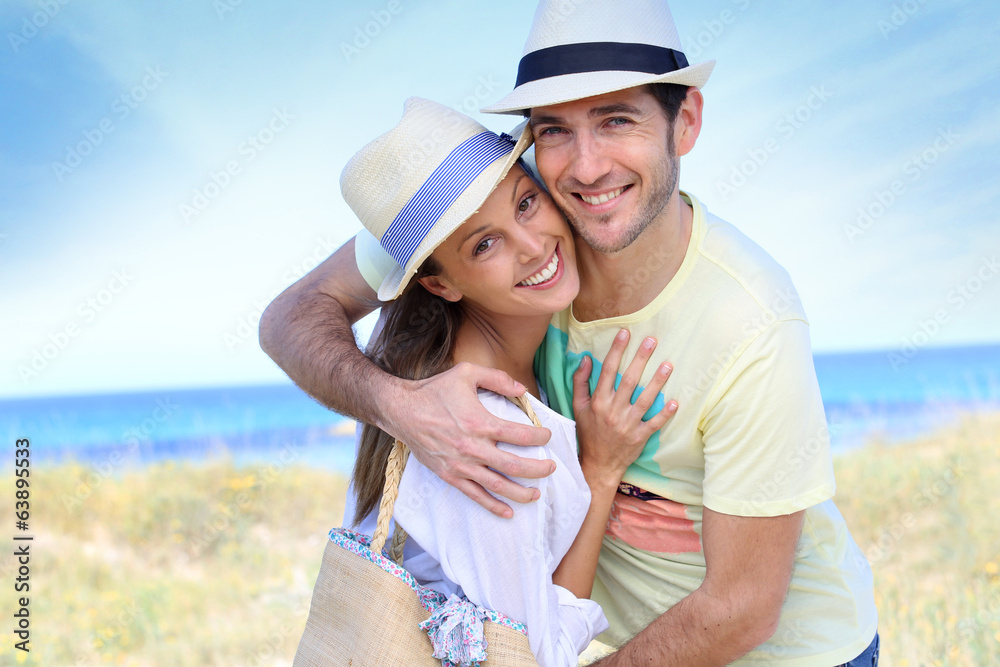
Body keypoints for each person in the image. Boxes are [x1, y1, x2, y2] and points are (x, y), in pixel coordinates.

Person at [261, 1, 879, 665]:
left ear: (686, 121)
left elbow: (742, 608)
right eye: (555, 130)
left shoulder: (749, 319)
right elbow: (291, 315)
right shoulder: (484, 215)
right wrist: (396, 404)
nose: (586, 169)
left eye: (617, 120)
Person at [318, 97, 676, 667]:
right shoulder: (486, 431)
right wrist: (602, 472)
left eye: (527, 204)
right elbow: (536, 656)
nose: (533, 246)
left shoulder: (430, 374)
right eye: (484, 245)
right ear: (440, 285)